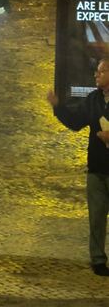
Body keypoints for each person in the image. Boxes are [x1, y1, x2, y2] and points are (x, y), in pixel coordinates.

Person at [47, 58, 109, 277]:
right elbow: (75, 121)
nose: (96, 75)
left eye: (101, 72)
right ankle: (98, 260)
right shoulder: (93, 99)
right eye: (96, 72)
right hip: (97, 167)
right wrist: (58, 107)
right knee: (97, 216)